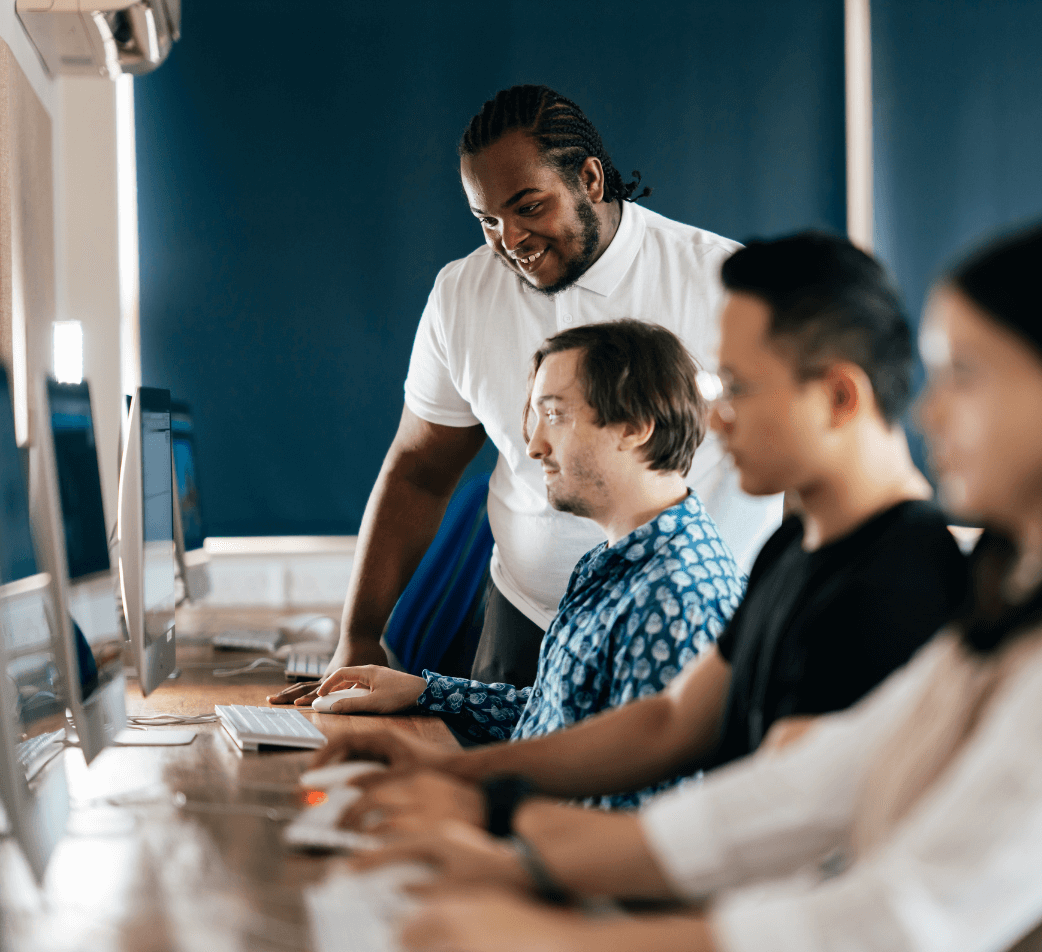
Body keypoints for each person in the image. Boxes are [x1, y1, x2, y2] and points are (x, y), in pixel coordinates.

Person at [348, 216, 1042, 952]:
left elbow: (898, 920)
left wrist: (547, 921)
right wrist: (507, 835)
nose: (928, 405)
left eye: (968, 374)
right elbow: (800, 795)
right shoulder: (1039, 611)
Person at [312, 233, 969, 807]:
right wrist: (446, 767)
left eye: (735, 387)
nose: (714, 419)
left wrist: (488, 829)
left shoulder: (898, 591)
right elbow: (663, 726)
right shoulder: (792, 549)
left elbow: (767, 836)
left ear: (837, 396)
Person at [279, 84, 780, 695]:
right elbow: (419, 471)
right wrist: (357, 635)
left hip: (694, 625)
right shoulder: (463, 294)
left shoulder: (725, 284)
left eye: (529, 207)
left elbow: (800, 457)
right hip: (529, 623)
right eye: (488, 219)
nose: (510, 240)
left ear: (590, 179)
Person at [285, 321, 743, 808]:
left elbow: (635, 821)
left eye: (554, 415)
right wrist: (422, 692)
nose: (533, 445)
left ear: (634, 427)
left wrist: (462, 813)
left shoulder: (675, 598)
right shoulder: (615, 559)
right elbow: (563, 714)